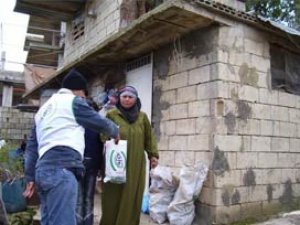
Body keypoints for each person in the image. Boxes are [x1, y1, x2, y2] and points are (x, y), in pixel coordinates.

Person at [23, 69, 119, 225]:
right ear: (79, 90)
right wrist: (115, 131)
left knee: (49, 221)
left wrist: (29, 177)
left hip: (42, 171)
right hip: (62, 169)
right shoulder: (73, 101)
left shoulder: (43, 110)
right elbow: (99, 122)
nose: (84, 99)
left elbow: (32, 148)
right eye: (84, 95)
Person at [100, 85, 159, 225]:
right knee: (113, 196)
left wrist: (153, 155)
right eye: (124, 96)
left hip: (135, 163)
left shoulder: (142, 117)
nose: (127, 99)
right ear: (119, 98)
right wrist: (109, 137)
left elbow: (149, 138)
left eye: (130, 97)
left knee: (132, 195)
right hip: (115, 162)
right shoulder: (112, 115)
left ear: (136, 99)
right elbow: (102, 134)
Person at [76, 98, 103, 225]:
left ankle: (87, 222)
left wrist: (100, 167)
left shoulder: (98, 127)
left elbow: (101, 147)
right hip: (77, 165)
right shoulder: (76, 124)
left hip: (91, 166)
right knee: (81, 198)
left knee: (86, 198)